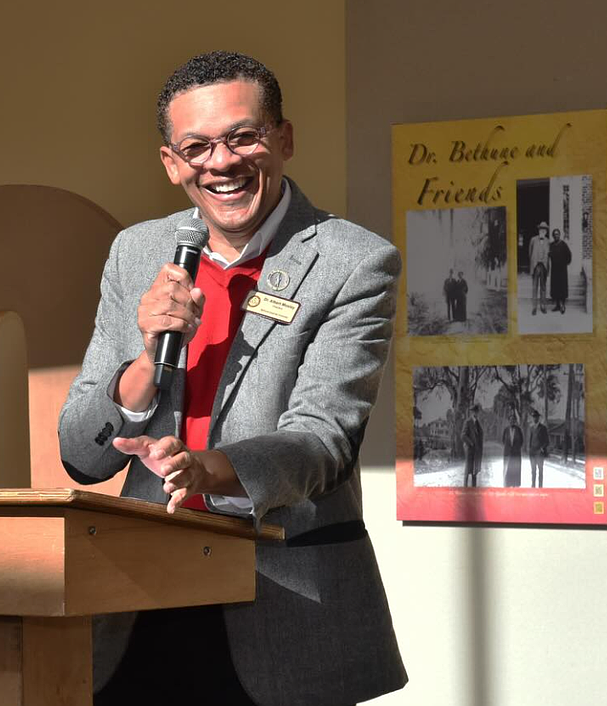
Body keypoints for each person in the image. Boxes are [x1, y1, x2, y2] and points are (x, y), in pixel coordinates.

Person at [58, 51, 406, 706]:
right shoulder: (137, 252)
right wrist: (143, 363)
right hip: (137, 611)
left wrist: (209, 469)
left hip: (283, 613)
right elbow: (80, 452)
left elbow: (322, 441)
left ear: (284, 139)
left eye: (242, 137)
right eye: (197, 147)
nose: (220, 163)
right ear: (171, 163)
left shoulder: (353, 261)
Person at [548, 227, 572, 313]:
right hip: (554, 270)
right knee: (556, 287)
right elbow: (549, 255)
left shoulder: (563, 244)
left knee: (562, 287)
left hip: (562, 271)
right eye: (554, 235)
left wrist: (565, 263)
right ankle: (557, 305)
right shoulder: (551, 245)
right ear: (553, 236)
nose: (556, 236)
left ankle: (563, 306)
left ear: (559, 235)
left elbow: (569, 255)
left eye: (557, 234)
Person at [529, 221, 550, 315]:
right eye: (541, 229)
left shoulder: (548, 241)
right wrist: (534, 262)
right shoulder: (533, 239)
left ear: (546, 231)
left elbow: (549, 255)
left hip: (544, 266)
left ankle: (543, 306)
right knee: (534, 287)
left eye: (544, 229)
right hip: (535, 266)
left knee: (543, 287)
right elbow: (530, 253)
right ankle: (534, 307)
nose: (543, 231)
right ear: (539, 230)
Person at [461, 404, 483, 487]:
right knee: (467, 470)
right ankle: (465, 487)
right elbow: (463, 435)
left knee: (474, 471)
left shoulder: (477, 423)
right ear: (471, 412)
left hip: (476, 451)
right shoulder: (468, 422)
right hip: (470, 450)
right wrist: (471, 443)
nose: (475, 413)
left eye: (477, 411)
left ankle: (473, 489)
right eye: (474, 411)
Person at [502, 409, 524, 487]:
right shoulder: (506, 430)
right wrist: (508, 448)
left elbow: (521, 441)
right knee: (507, 470)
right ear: (509, 421)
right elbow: (503, 441)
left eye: (513, 420)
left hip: (516, 454)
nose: (512, 421)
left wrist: (516, 449)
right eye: (510, 420)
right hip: (507, 453)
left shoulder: (518, 430)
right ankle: (507, 485)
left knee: (515, 470)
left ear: (515, 421)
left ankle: (515, 485)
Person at [529, 408, 550, 488]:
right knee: (533, 471)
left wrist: (542, 448)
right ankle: (533, 486)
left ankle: (540, 487)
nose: (535, 418)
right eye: (533, 417)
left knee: (540, 471)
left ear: (538, 418)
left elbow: (547, 441)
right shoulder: (531, 428)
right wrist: (530, 450)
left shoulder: (543, 428)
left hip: (540, 453)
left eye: (536, 417)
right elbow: (530, 441)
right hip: (532, 453)